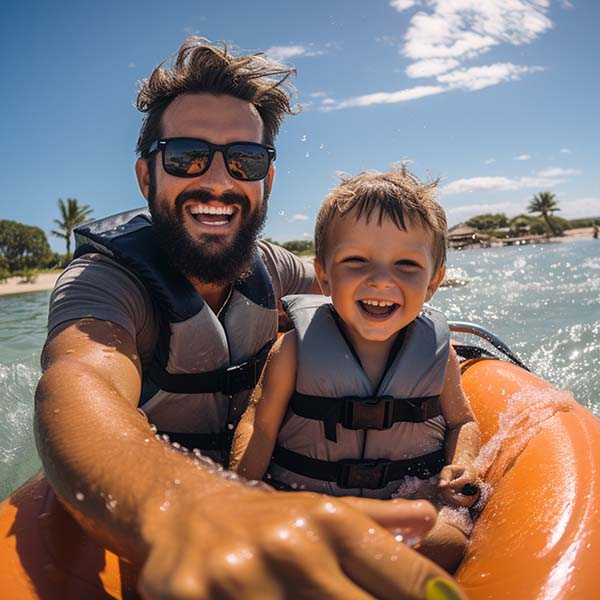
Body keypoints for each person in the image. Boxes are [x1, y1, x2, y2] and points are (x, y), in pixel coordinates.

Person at [34, 38, 466, 600]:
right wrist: (196, 504)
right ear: (147, 177)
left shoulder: (273, 268)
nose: (218, 180)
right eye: (186, 156)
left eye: (245, 160)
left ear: (265, 180)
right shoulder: (105, 284)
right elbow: (75, 383)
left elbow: (373, 303)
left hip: (276, 481)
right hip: (167, 503)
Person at [231, 167, 482, 572]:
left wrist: (464, 463)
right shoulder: (293, 349)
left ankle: (349, 563)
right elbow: (258, 425)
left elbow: (462, 422)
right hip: (312, 509)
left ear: (433, 283)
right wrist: (241, 498)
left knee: (447, 541)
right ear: (325, 276)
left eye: (405, 264)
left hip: (401, 512)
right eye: (357, 261)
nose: (381, 280)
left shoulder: (440, 356)